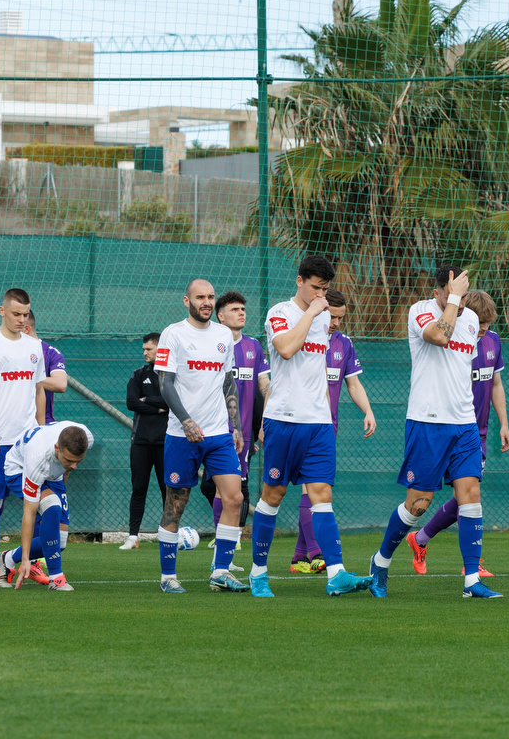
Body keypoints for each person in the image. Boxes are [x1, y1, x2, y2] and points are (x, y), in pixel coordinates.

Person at [368, 264, 502, 599]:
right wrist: (455, 299)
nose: (457, 297)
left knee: (470, 495)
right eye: (451, 291)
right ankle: (380, 562)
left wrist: (459, 301)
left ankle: (472, 581)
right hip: (427, 423)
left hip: (464, 424)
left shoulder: (471, 321)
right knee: (418, 505)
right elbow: (439, 335)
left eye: (461, 291)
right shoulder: (420, 311)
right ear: (438, 291)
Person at [245, 255, 374, 597]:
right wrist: (313, 312)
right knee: (273, 495)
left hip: (318, 423)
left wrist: (321, 314)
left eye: (325, 289)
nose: (321, 294)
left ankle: (336, 573)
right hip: (283, 420)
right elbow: (286, 349)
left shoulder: (324, 322)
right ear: (299, 280)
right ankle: (258, 574)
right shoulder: (280, 312)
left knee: (322, 496)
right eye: (316, 287)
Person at [154, 278, 247, 593]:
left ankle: (220, 571)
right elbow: (165, 383)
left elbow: (227, 382)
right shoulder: (173, 334)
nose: (206, 302)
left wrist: (234, 425)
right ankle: (168, 577)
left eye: (210, 297)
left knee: (234, 499)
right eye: (200, 297)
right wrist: (186, 420)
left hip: (220, 434)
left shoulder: (224, 335)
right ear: (187, 301)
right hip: (183, 435)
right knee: (175, 505)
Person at [408, 290, 509, 576]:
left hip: (476, 432)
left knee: (469, 494)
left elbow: (497, 384)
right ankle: (410, 540)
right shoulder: (453, 344)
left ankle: (460, 558)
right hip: (439, 426)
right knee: (423, 498)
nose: (485, 331)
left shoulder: (492, 341)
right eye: (481, 325)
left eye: (488, 326)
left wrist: (503, 423)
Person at [290, 287, 374, 570]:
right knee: (311, 489)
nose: (337, 323)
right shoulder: (303, 334)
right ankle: (317, 553)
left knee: (315, 489)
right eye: (333, 316)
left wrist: (368, 410)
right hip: (300, 424)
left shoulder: (343, 343)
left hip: (328, 427)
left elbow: (353, 383)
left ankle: (300, 556)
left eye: (341, 318)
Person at [0, 288, 48, 584]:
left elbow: (39, 390)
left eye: (25, 314)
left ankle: (32, 561)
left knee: (41, 502)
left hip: (28, 442)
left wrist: (41, 431)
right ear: (2, 311)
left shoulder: (34, 346)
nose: (21, 319)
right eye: (15, 313)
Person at [0, 420, 94, 592]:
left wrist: (66, 468)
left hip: (53, 475)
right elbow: (29, 513)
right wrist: (25, 559)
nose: (75, 466)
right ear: (56, 448)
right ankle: (56, 578)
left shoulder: (86, 437)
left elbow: (67, 467)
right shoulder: (37, 459)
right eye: (70, 460)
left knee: (59, 542)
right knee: (52, 505)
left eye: (79, 461)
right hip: (19, 469)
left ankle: (7, 558)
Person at [201, 290, 268, 537]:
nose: (241, 313)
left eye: (243, 309)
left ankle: (227, 540)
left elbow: (265, 386)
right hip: (212, 428)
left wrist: (263, 423)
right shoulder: (210, 345)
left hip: (242, 433)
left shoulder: (253, 346)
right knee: (206, 486)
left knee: (233, 488)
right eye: (234, 309)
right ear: (220, 316)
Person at [22, 307, 72, 549]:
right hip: (11, 434)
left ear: (26, 327)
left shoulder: (48, 351)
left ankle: (37, 552)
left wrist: (29, 377)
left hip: (43, 430)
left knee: (47, 496)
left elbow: (61, 383)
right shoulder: (2, 349)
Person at [123, 331, 168, 549]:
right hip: (140, 441)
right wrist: (158, 407)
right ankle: (133, 536)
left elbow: (171, 401)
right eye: (143, 349)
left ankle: (169, 534)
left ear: (160, 348)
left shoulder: (170, 374)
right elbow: (131, 402)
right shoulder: (139, 374)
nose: (145, 352)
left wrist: (148, 399)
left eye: (148, 348)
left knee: (167, 489)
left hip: (165, 442)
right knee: (138, 488)